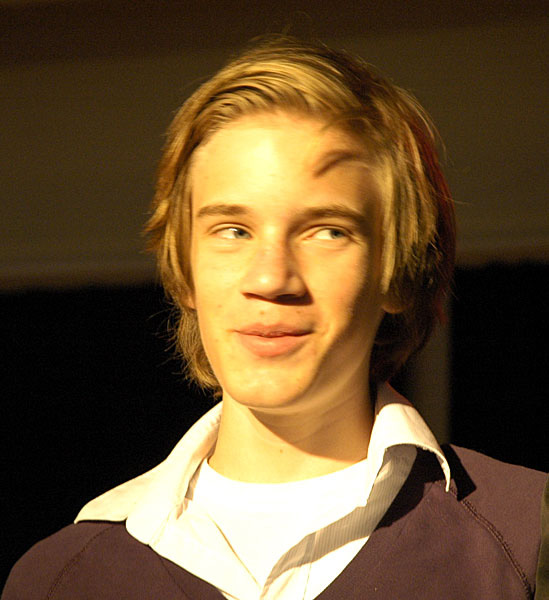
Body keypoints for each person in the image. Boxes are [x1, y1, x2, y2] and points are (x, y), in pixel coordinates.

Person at [3, 36, 546, 600]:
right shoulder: (59, 579)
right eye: (233, 231)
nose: (270, 279)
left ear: (395, 271)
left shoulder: (528, 542)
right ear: (185, 271)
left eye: (327, 231)